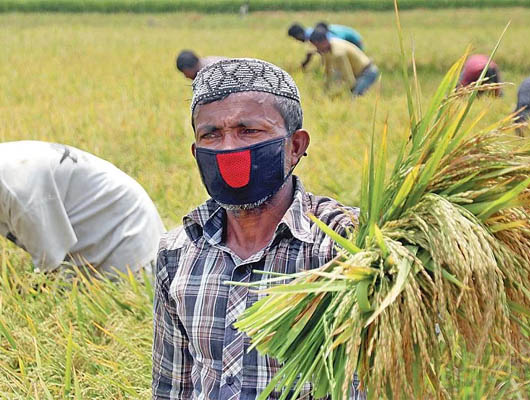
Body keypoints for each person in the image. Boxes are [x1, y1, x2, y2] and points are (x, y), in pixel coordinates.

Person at [152, 58, 363, 399]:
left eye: (248, 131)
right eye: (212, 134)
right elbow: (171, 388)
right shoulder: (176, 254)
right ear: (196, 152)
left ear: (295, 147)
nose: (229, 149)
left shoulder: (344, 248)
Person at [0, 139, 165, 281]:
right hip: (87, 236)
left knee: (116, 305)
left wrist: (16, 305)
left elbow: (48, 273)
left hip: (124, 229)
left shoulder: (21, 190)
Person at [309, 27, 379, 97]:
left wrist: (336, 93)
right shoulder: (328, 49)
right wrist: (326, 89)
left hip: (367, 72)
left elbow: (349, 79)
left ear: (323, 42)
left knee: (354, 97)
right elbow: (328, 72)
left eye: (317, 46)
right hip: (358, 73)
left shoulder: (338, 53)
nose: (317, 49)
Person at [287, 22, 364, 69]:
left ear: (299, 35)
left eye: (296, 38)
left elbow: (334, 44)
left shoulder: (313, 35)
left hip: (353, 41)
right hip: (350, 39)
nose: (297, 40)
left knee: (353, 65)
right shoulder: (311, 32)